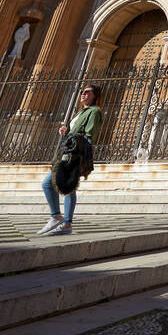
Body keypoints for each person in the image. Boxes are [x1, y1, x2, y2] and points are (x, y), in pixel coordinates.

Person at [38, 84, 103, 237]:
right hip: (67, 151)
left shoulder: (95, 112)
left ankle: (61, 219)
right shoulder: (81, 112)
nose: (83, 95)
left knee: (55, 184)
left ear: (95, 96)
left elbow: (89, 135)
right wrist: (66, 132)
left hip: (74, 154)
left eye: (87, 92)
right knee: (62, 185)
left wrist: (78, 149)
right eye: (82, 92)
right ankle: (62, 220)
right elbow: (76, 133)